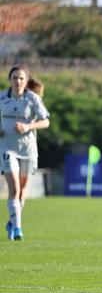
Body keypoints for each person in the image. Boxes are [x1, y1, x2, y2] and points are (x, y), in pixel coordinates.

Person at [1, 65, 50, 241]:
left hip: (28, 150)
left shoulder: (33, 99)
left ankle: (12, 222)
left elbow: (45, 122)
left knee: (22, 192)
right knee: (13, 189)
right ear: (10, 80)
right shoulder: (1, 98)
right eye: (14, 78)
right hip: (7, 148)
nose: (18, 81)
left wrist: (28, 126)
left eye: (21, 78)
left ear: (26, 80)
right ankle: (18, 229)